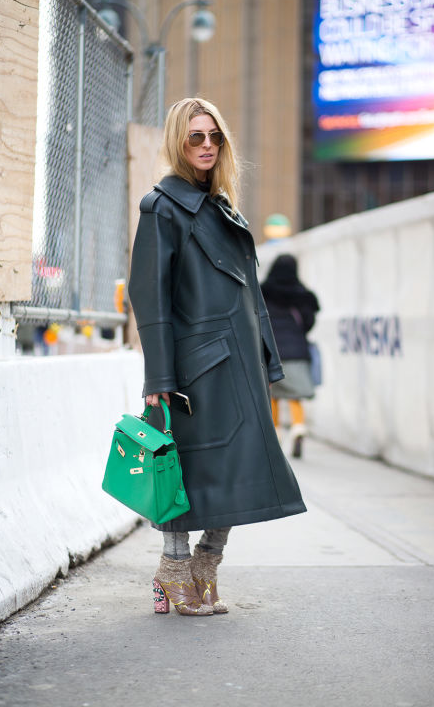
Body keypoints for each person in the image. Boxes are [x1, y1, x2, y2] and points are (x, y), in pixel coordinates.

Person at [128, 98, 306, 617]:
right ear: (177, 144)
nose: (206, 146)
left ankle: (206, 565)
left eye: (214, 137)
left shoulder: (225, 208)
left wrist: (267, 362)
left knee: (240, 468)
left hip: (241, 365)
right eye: (194, 137)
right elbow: (150, 296)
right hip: (193, 370)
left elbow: (252, 296)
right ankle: (175, 571)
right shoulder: (161, 207)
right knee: (187, 471)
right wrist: (159, 375)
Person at [261, 254, 320, 458]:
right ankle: (298, 427)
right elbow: (309, 322)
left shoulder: (263, 291)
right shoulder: (302, 294)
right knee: (295, 395)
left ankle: (275, 432)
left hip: (271, 351)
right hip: (296, 350)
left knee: (274, 393)